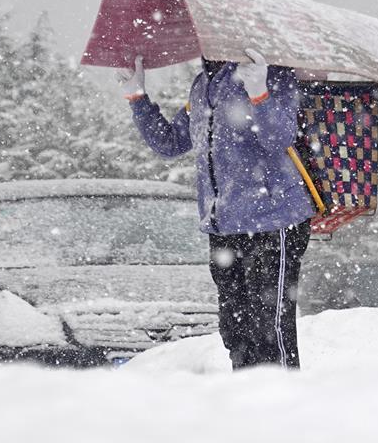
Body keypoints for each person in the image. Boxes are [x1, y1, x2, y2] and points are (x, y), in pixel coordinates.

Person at [118, 51, 315, 370]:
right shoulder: (203, 85)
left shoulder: (272, 74)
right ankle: (246, 400)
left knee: (271, 330)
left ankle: (280, 405)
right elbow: (170, 143)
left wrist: (259, 92)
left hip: (273, 220)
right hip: (223, 226)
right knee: (236, 330)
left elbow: (280, 138)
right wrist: (137, 97)